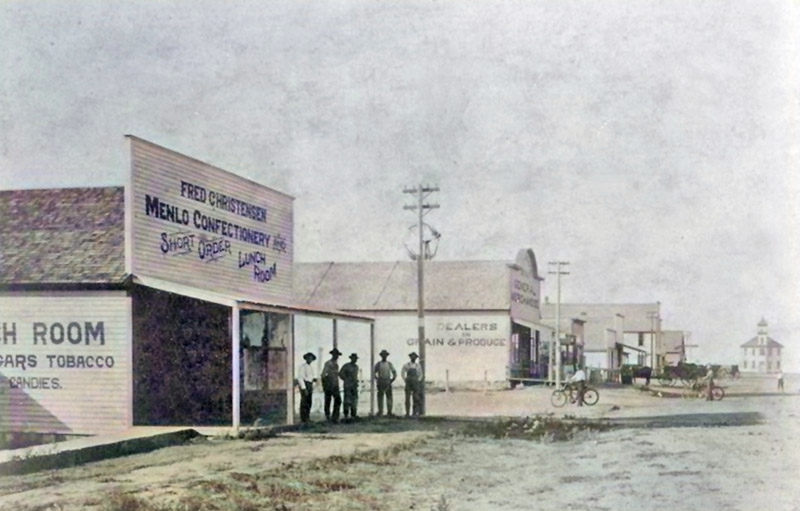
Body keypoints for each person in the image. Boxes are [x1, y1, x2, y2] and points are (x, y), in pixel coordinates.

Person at [321, 348, 342, 422]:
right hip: (329, 384)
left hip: (335, 385)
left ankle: (335, 416)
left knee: (338, 400)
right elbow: (323, 375)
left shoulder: (336, 364)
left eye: (337, 355)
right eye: (335, 355)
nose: (336, 356)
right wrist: (325, 385)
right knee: (328, 400)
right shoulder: (328, 363)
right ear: (332, 355)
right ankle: (328, 416)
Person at [295, 352, 317, 423]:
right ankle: (303, 418)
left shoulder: (310, 367)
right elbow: (300, 378)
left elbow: (310, 377)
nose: (310, 359)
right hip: (305, 385)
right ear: (306, 358)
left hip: (309, 385)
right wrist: (304, 388)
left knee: (309, 402)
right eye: (308, 358)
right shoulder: (303, 366)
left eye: (311, 358)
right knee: (304, 402)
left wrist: (313, 380)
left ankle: (307, 417)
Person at [374, 349, 397, 416]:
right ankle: (380, 411)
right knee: (380, 397)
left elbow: (394, 372)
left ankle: (389, 411)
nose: (384, 356)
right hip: (381, 381)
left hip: (387, 381)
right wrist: (377, 379)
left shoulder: (389, 364)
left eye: (385, 355)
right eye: (383, 355)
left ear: (387, 356)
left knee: (389, 397)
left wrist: (392, 380)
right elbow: (374, 373)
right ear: (381, 356)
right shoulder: (378, 364)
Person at [339, 353, 360, 420]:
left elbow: (355, 376)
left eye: (356, 359)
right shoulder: (346, 366)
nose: (355, 360)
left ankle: (353, 414)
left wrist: (356, 381)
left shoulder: (356, 367)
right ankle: (346, 415)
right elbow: (340, 373)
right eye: (353, 358)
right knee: (347, 400)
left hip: (354, 385)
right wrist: (346, 379)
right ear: (351, 358)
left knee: (354, 400)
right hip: (348, 385)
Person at [401, 352, 424, 417]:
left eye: (414, 357)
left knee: (415, 398)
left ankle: (414, 413)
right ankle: (407, 413)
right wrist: (405, 379)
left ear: (416, 358)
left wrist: (418, 380)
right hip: (408, 382)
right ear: (410, 357)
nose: (413, 358)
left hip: (415, 383)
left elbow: (421, 374)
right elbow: (402, 373)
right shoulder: (406, 365)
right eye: (412, 357)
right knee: (407, 398)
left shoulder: (418, 366)